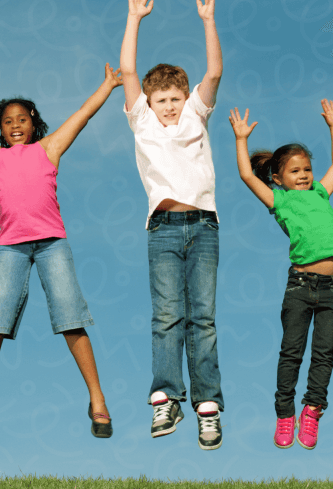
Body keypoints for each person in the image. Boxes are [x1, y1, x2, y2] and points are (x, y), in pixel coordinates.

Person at [0, 63, 122, 439]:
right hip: (11, 249)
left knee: (70, 318)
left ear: (33, 123)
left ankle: (98, 402)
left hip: (52, 244)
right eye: (6, 122)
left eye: (21, 119)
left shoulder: (49, 149)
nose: (14, 125)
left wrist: (108, 85)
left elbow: (82, 115)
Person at [120, 0, 225, 449]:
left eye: (175, 99)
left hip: (203, 227)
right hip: (162, 227)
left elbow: (214, 73)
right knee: (167, 316)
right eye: (161, 100)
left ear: (187, 98)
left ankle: (208, 407)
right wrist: (134, 18)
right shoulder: (142, 120)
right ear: (149, 102)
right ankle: (166, 398)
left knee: (201, 318)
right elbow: (127, 70)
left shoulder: (196, 115)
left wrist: (207, 20)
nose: (168, 106)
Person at [229, 100, 333, 450]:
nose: (304, 175)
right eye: (295, 171)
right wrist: (241, 140)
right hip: (299, 287)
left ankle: (312, 410)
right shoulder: (279, 201)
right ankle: (285, 413)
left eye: (307, 169)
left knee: (324, 353)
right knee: (292, 352)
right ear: (279, 179)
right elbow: (247, 175)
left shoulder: (321, 193)